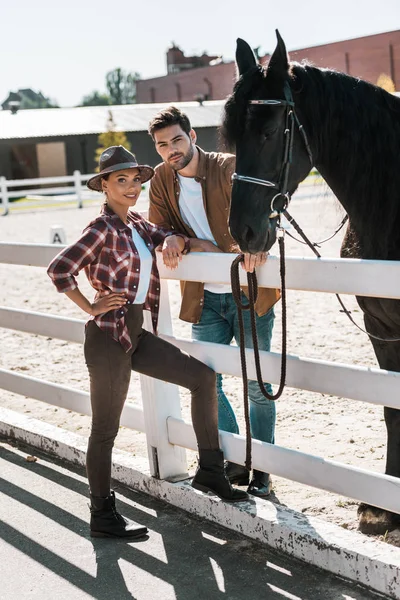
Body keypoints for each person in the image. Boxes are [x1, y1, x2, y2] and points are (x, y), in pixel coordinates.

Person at [47, 145, 247, 539]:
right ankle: (102, 515)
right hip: (107, 337)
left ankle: (210, 471)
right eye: (120, 180)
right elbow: (59, 269)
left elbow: (170, 235)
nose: (131, 187)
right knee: (105, 429)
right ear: (103, 185)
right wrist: (90, 305)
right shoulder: (100, 228)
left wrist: (179, 241)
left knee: (203, 378)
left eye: (135, 180)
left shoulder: (137, 225)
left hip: (136, 333)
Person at [148, 107, 281, 498]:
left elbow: (265, 216)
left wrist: (246, 246)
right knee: (208, 382)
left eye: (176, 139)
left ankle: (264, 469)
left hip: (248, 294)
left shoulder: (229, 168)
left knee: (258, 385)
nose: (171, 150)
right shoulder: (160, 179)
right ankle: (236, 458)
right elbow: (157, 228)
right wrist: (178, 240)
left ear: (192, 136)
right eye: (162, 145)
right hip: (203, 297)